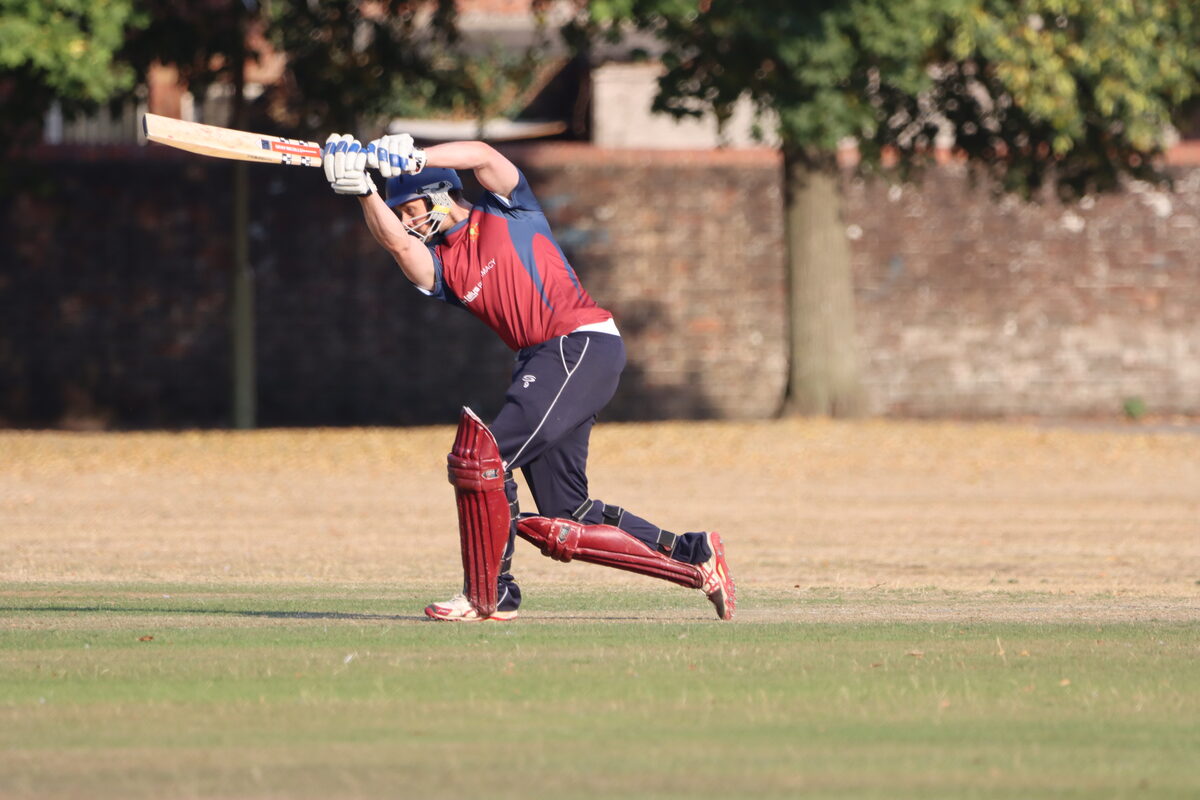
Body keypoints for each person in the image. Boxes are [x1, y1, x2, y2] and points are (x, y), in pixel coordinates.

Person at [321, 132, 735, 621]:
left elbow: (483, 155)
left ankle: (490, 594)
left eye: (409, 209)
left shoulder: (507, 208)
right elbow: (395, 244)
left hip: (579, 344)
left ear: (437, 194)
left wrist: (418, 156)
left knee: (482, 458)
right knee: (566, 515)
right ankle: (694, 557)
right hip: (545, 359)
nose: (407, 223)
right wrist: (363, 191)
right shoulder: (443, 268)